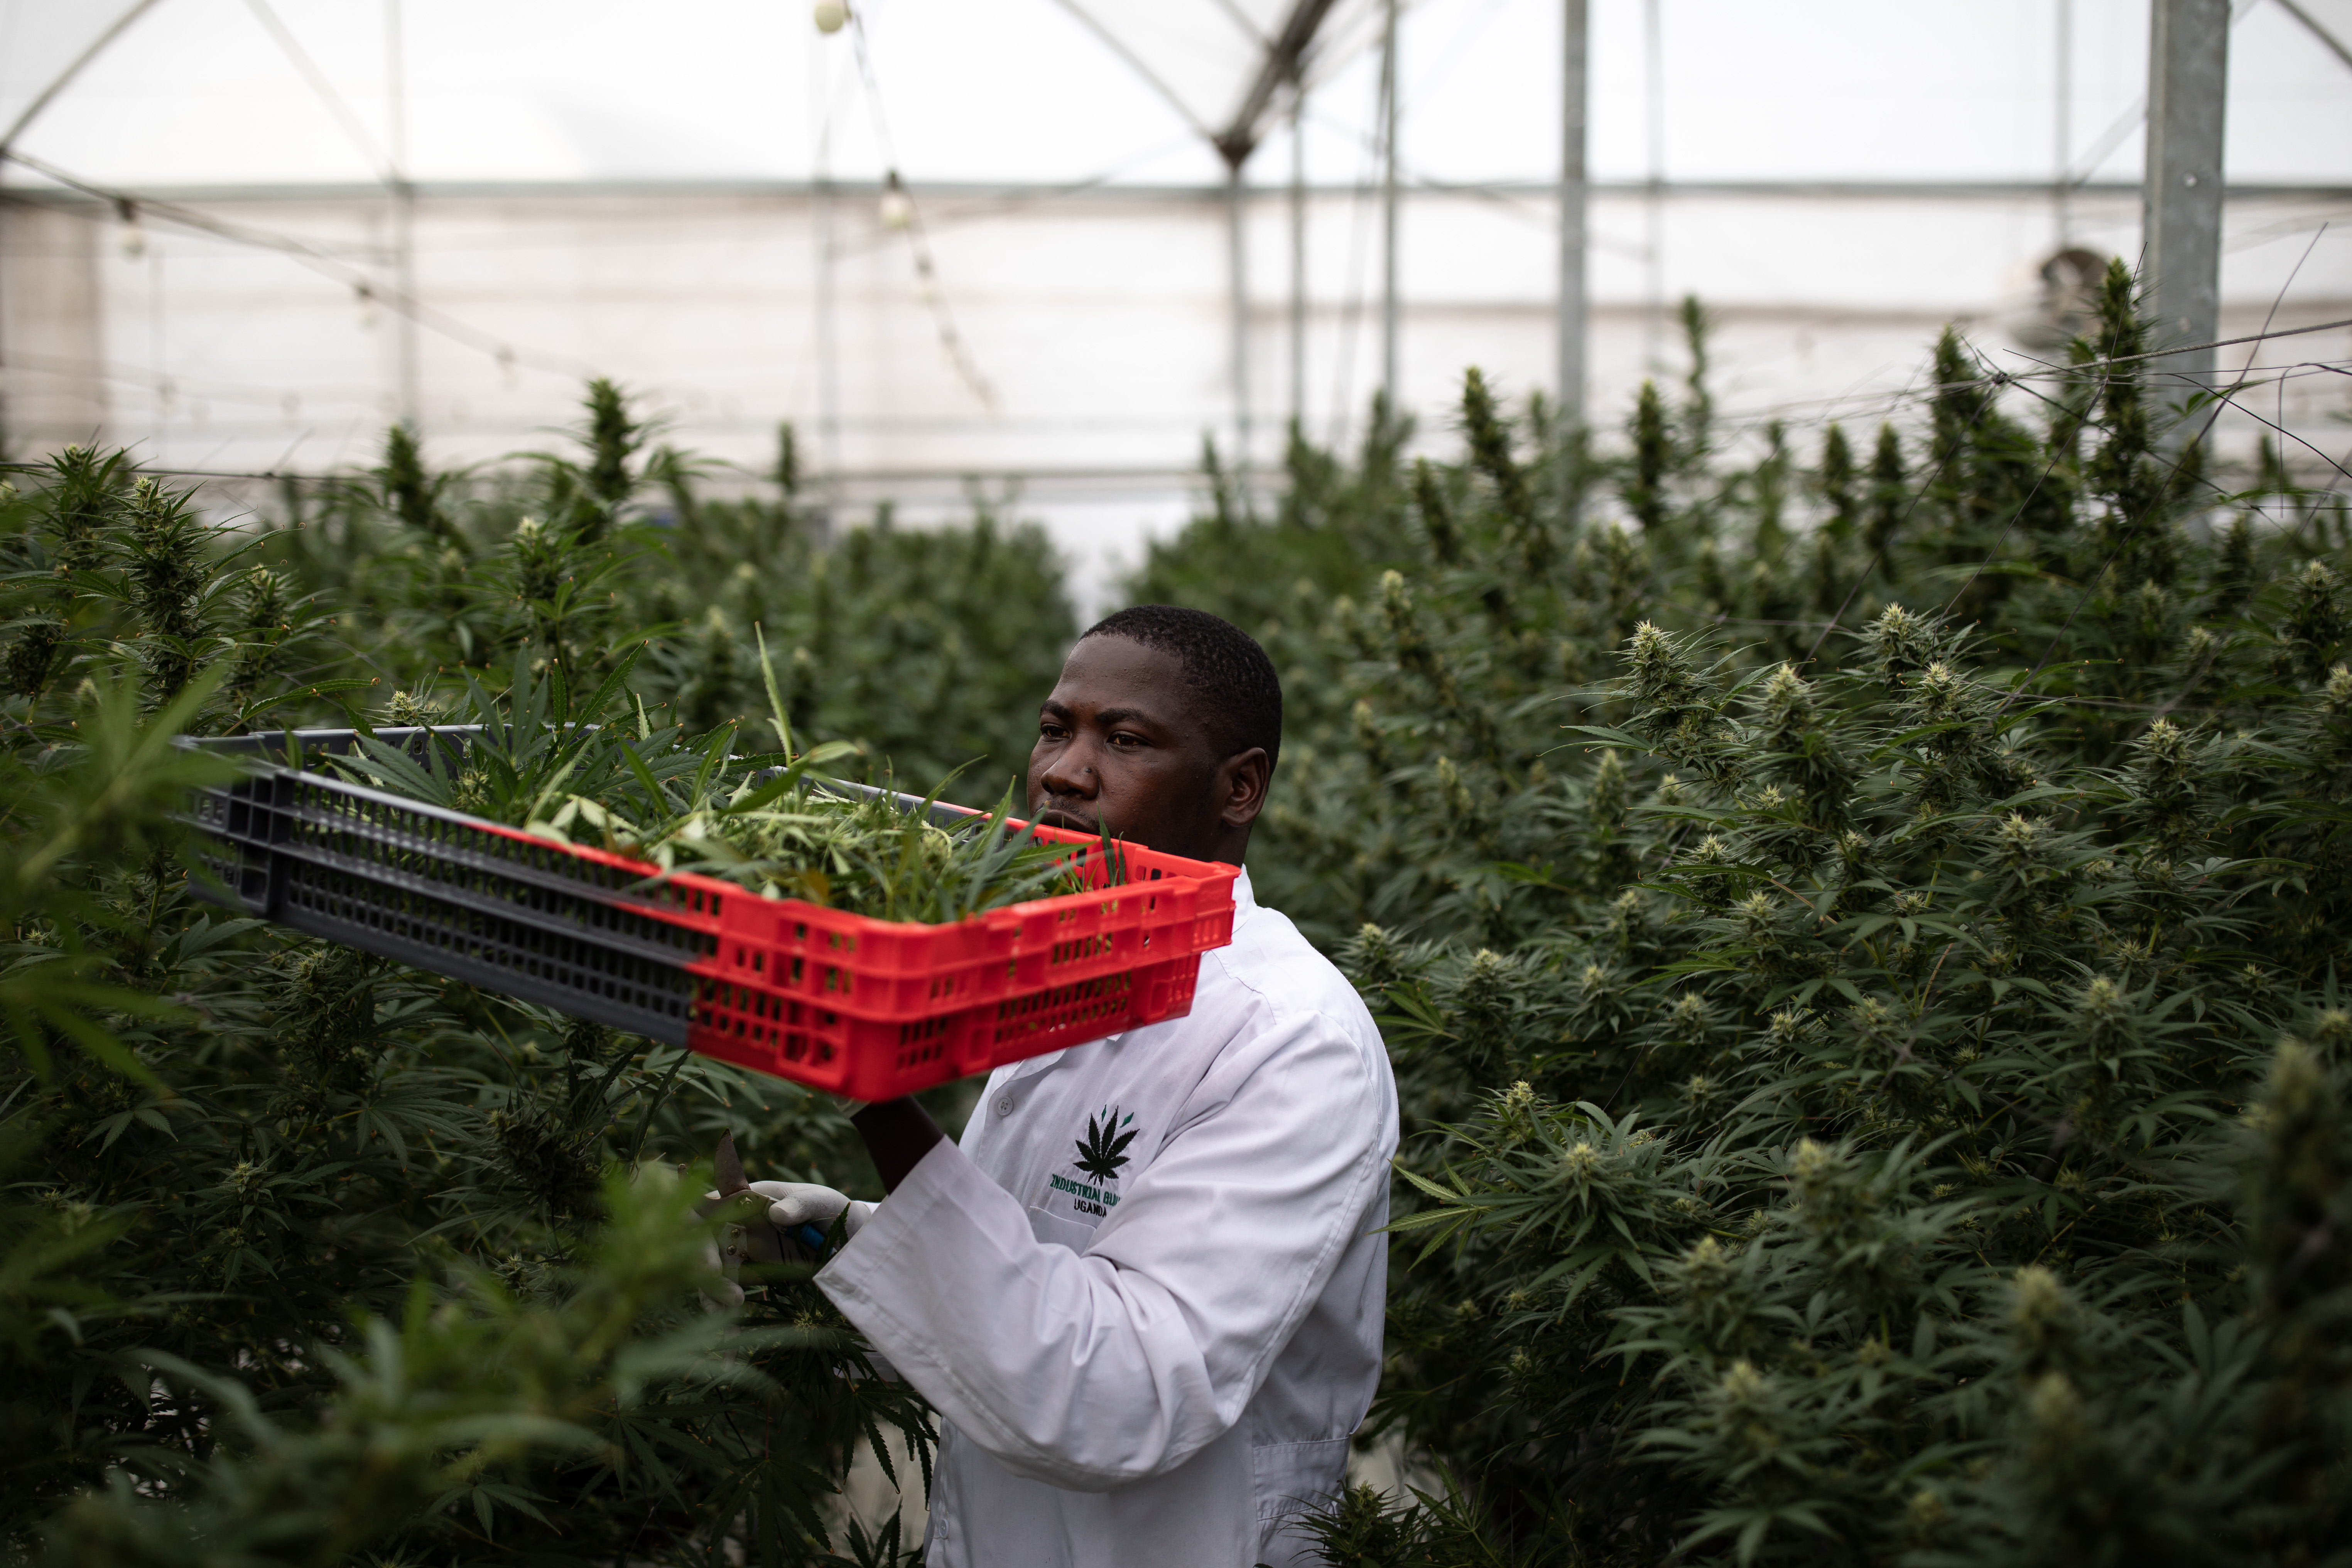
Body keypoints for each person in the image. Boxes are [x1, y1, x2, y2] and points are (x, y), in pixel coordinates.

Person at [728, 605, 1398, 1568]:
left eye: (1123, 740)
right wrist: (849, 1237)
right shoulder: (1067, 973)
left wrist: (875, 1090)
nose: (1062, 771)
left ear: (1238, 787)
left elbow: (1113, 1390)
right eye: (1055, 727)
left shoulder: (1291, 1037)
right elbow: (1029, 1265)